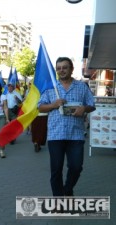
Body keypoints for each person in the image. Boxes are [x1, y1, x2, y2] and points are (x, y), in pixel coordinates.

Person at [38, 57, 95, 196]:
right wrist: (53, 104)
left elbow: (92, 105)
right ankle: (58, 198)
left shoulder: (82, 87)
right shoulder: (50, 87)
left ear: (71, 69)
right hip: (55, 134)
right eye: (59, 68)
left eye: (65, 67)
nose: (61, 70)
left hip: (75, 134)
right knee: (56, 169)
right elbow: (40, 107)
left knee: (76, 167)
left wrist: (84, 109)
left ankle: (67, 189)